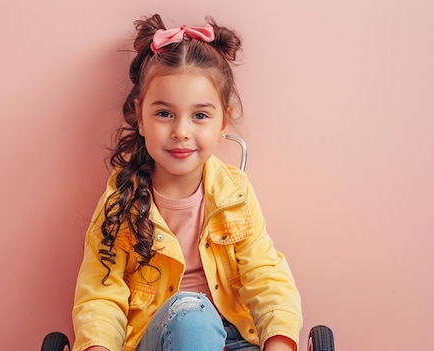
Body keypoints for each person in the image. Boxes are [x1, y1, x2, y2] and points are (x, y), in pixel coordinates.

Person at [72, 13, 303, 351]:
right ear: (140, 117)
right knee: (191, 313)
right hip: (153, 339)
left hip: (232, 338)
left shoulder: (234, 194)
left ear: (223, 120)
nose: (181, 131)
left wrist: (279, 339)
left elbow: (265, 274)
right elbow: (101, 292)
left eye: (200, 116)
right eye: (164, 113)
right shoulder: (121, 199)